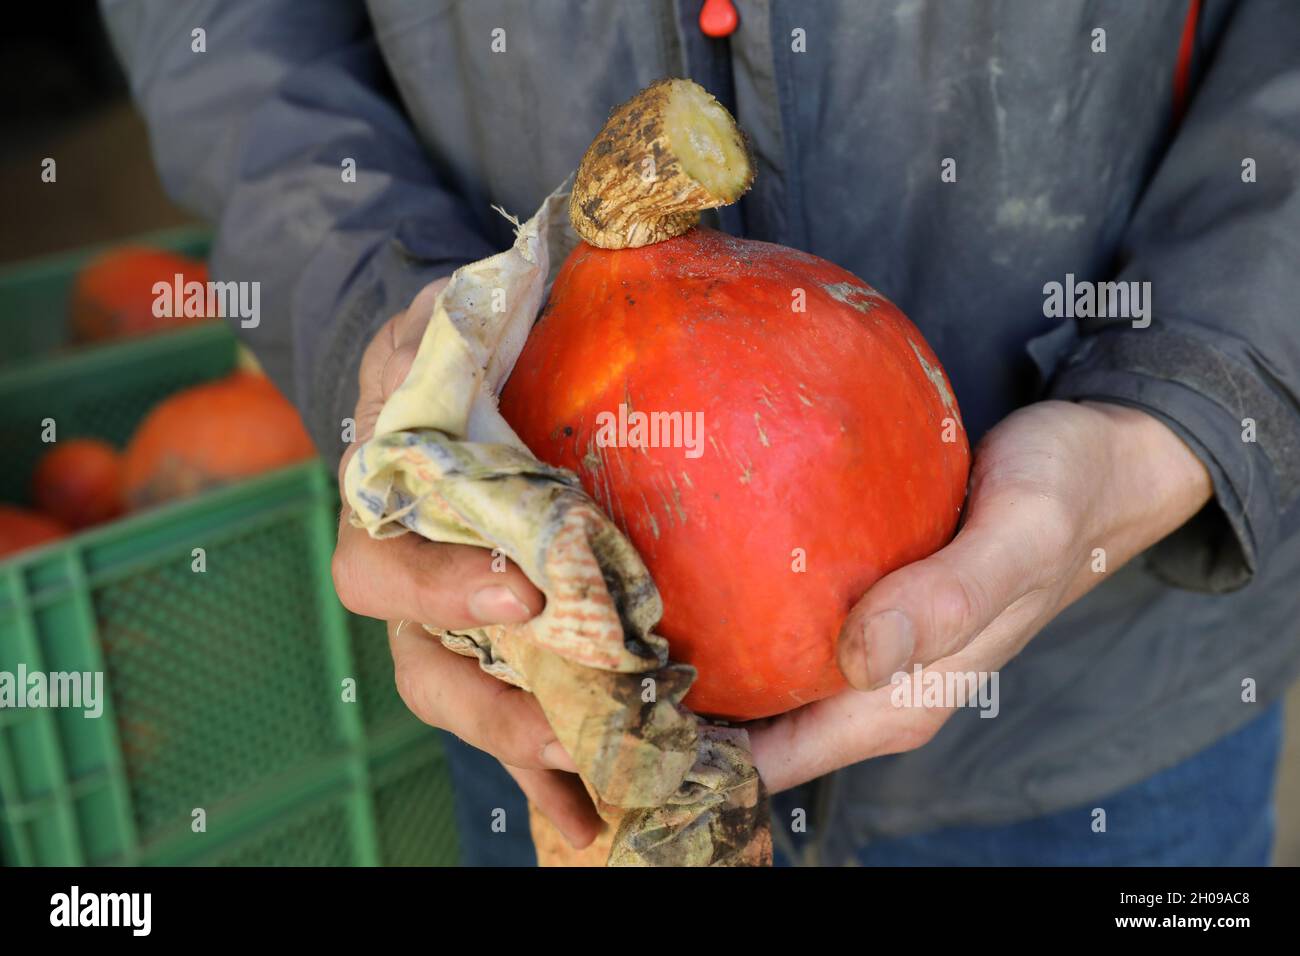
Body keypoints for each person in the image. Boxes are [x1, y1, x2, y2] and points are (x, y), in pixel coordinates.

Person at [104, 0, 1300, 866]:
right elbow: (226, 41)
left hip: (1115, 699)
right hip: (552, 702)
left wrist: (1186, 400)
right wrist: (385, 322)